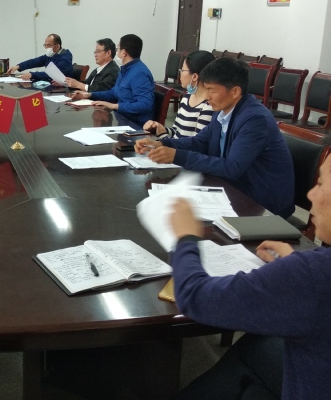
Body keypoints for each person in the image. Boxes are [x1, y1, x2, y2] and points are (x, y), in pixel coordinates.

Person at [168, 148, 331, 399]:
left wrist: (186, 237)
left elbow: (194, 297)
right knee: (258, 345)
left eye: (320, 184)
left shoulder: (313, 275)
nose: (311, 194)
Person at [135, 57, 295, 218]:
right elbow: (199, 142)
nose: (206, 97)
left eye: (211, 90)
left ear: (235, 91)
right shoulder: (223, 111)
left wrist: (177, 156)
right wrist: (162, 143)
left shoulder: (255, 119)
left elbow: (232, 168)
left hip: (262, 202)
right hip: (234, 189)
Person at [70, 34, 154, 125]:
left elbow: (144, 105)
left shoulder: (140, 73)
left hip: (134, 124)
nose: (116, 53)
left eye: (118, 49)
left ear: (124, 53)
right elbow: (113, 93)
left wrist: (114, 106)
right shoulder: (125, 70)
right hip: (121, 118)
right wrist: (89, 95)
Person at [143, 50, 216, 138]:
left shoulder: (208, 106)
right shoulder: (187, 97)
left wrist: (163, 137)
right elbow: (176, 132)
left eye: (182, 70)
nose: (180, 74)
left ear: (194, 76)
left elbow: (196, 143)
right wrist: (159, 129)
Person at [6, 34, 73, 82]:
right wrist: (18, 66)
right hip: (52, 83)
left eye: (49, 45)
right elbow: (36, 61)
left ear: (57, 46)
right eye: (45, 45)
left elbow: (53, 75)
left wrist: (32, 75)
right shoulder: (51, 55)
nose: (46, 48)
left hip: (63, 88)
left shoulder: (65, 58)